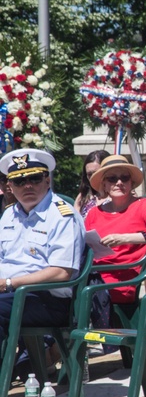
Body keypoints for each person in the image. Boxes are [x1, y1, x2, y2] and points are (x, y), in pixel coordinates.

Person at [0, 149, 86, 349]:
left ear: (47, 181)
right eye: (20, 181)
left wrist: (10, 283)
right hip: (10, 294)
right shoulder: (8, 215)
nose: (28, 185)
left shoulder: (62, 216)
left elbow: (62, 272)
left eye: (35, 178)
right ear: (10, 186)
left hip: (48, 299)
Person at [85, 155, 146, 306]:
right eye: (112, 179)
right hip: (93, 274)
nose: (119, 182)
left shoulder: (142, 205)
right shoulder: (94, 213)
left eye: (124, 178)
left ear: (131, 183)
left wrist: (125, 238)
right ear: (104, 185)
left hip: (125, 277)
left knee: (86, 293)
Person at [74, 149, 110, 217]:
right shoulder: (83, 197)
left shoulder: (118, 196)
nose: (93, 177)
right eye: (90, 174)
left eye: (97, 173)